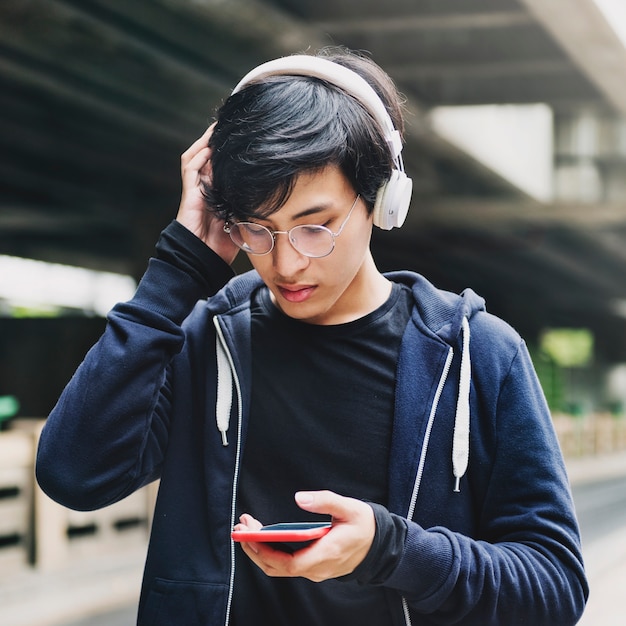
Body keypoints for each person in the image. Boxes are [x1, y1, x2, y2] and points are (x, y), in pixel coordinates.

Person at [36, 47, 588, 625]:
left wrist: (390, 549)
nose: (286, 263)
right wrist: (180, 266)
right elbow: (73, 474)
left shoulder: (480, 355)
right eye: (258, 229)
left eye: (315, 226)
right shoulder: (207, 342)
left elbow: (554, 586)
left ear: (382, 200)